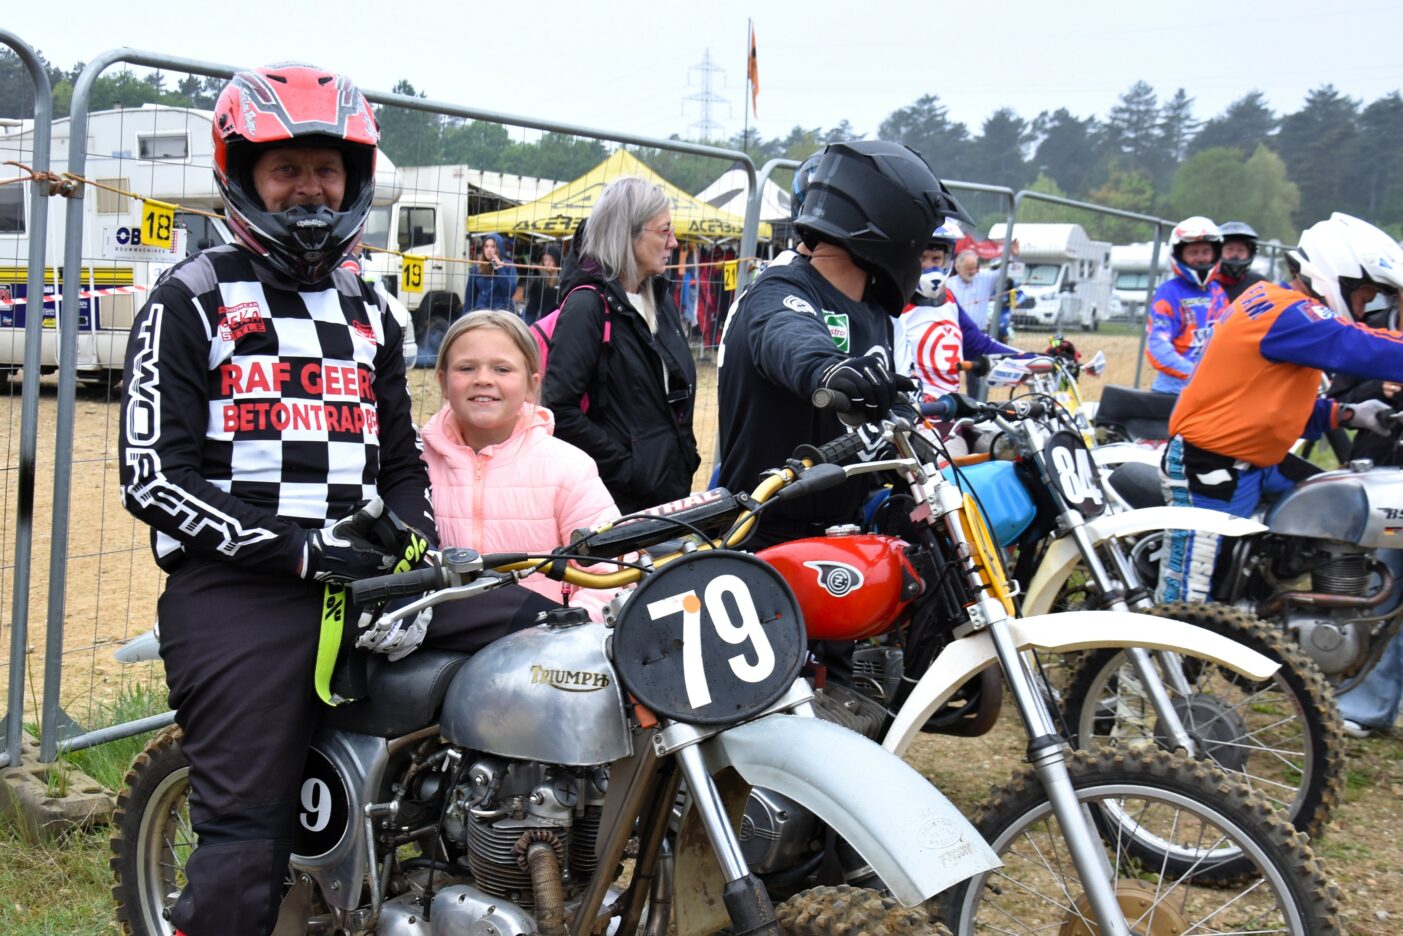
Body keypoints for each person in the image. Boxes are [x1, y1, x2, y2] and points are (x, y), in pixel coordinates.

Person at [117, 64, 554, 936]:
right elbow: (154, 478)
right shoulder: (189, 297)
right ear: (243, 176)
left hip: (369, 579)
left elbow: (400, 459)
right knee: (245, 845)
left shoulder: (374, 305)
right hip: (241, 587)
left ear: (354, 179)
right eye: (286, 169)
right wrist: (300, 550)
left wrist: (413, 546)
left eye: (326, 169)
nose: (309, 188)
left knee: (559, 642)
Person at [716, 140, 971, 548]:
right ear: (891, 230)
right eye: (920, 242)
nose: (921, 256)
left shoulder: (878, 314)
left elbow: (897, 408)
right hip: (767, 541)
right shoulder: (778, 290)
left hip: (848, 534)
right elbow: (786, 334)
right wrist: (830, 368)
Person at [1157, 212, 1403, 606]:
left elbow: (1268, 402)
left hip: (1257, 461)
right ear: (1340, 275)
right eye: (1365, 297)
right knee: (1191, 601)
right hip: (1211, 466)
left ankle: (1290, 615)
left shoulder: (1278, 305)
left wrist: (1348, 414)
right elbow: (1361, 345)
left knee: (1339, 505)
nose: (1363, 310)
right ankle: (1152, 648)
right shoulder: (1289, 313)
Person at [422, 309, 620, 615]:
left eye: (502, 369)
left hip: (543, 640)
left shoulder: (569, 469)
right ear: (443, 382)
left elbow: (610, 574)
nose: (483, 379)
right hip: (440, 639)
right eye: (466, 368)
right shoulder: (416, 465)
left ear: (532, 384)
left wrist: (561, 632)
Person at [540, 176, 700, 514]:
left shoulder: (659, 299)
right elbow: (560, 410)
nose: (673, 243)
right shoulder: (587, 306)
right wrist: (629, 469)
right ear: (627, 234)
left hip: (668, 491)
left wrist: (684, 454)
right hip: (618, 503)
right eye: (664, 231)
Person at [894, 220, 1019, 400]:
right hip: (911, 409)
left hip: (950, 408)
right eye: (922, 258)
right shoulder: (894, 304)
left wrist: (1029, 358)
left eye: (936, 259)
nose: (929, 266)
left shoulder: (948, 300)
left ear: (947, 260)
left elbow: (978, 344)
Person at [1145, 216, 1229, 394]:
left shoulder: (1218, 293)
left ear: (1215, 253)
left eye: (1206, 252)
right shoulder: (1169, 292)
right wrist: (1193, 372)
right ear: (1179, 255)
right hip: (1173, 390)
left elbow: (1228, 339)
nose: (1200, 258)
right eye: (1193, 252)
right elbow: (1157, 345)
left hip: (1211, 388)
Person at [946, 249, 1004, 333]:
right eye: (969, 269)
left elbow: (1005, 271)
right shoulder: (948, 284)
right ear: (957, 267)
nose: (973, 272)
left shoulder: (985, 278)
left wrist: (1013, 255)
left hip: (979, 332)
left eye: (975, 268)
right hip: (956, 332)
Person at [465, 233, 518, 312]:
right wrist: (466, 315)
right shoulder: (477, 267)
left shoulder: (508, 265)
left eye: (493, 246)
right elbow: (469, 297)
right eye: (486, 246)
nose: (489, 250)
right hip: (481, 311)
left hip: (502, 312)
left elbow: (510, 292)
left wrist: (500, 269)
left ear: (499, 248)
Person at [1216, 220, 1267, 303]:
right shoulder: (1208, 284)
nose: (1235, 255)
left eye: (1241, 250)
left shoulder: (1258, 284)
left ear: (1250, 253)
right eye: (1229, 249)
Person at [522, 243, 562, 324]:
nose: (547, 263)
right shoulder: (538, 282)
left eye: (551, 260)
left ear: (557, 261)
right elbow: (531, 309)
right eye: (545, 259)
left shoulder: (563, 281)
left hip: (559, 322)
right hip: (542, 323)